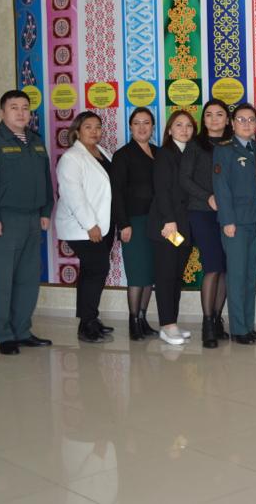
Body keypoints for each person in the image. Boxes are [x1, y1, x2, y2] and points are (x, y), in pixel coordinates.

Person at [0, 89, 54, 355]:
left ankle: (22, 330)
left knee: (28, 279)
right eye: (14, 108)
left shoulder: (36, 141)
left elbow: (45, 180)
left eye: (25, 108)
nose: (21, 113)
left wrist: (45, 211)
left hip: (32, 219)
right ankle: (3, 334)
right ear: (2, 112)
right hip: (4, 221)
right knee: (3, 279)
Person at [55, 112, 115, 345]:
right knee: (96, 270)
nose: (94, 131)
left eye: (98, 127)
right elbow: (73, 195)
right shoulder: (71, 158)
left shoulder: (103, 153)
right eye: (88, 127)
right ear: (77, 131)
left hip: (104, 224)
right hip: (84, 227)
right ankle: (86, 324)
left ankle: (91, 318)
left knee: (93, 272)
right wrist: (90, 225)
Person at [179, 99, 231, 348]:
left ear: (227, 119)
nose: (214, 119)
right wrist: (207, 197)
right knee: (212, 266)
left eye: (219, 114)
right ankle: (207, 323)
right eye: (209, 114)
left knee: (225, 268)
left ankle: (218, 319)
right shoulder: (195, 145)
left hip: (229, 214)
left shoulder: (234, 144)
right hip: (201, 212)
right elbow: (184, 179)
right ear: (203, 119)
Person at [214, 103, 256, 344]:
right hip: (235, 222)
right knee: (236, 276)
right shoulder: (224, 150)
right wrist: (227, 220)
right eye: (241, 120)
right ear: (232, 124)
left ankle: (248, 325)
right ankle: (238, 329)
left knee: (250, 275)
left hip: (255, 219)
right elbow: (221, 187)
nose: (246, 124)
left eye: (251, 120)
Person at [110, 107, 159, 341]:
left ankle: (143, 318)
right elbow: (117, 193)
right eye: (137, 123)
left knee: (150, 273)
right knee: (137, 273)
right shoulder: (123, 155)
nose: (142, 127)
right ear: (130, 127)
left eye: (146, 122)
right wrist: (123, 224)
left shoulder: (159, 153)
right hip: (134, 223)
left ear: (153, 127)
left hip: (156, 223)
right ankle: (133, 322)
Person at [149, 109, 197, 345]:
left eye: (188, 126)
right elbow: (162, 189)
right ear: (169, 130)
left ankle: (172, 323)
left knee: (177, 276)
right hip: (168, 226)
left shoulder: (191, 153)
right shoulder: (165, 154)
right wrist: (169, 220)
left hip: (184, 226)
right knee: (166, 276)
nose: (184, 130)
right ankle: (167, 326)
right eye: (179, 125)